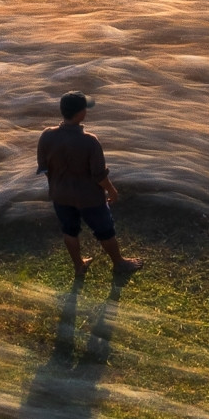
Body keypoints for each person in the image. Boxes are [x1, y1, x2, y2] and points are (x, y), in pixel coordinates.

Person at [36, 91, 141, 278]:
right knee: (105, 231)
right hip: (90, 199)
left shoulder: (46, 136)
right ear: (80, 114)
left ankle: (79, 265)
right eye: (84, 108)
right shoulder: (90, 141)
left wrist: (57, 186)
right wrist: (112, 190)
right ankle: (119, 263)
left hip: (61, 196)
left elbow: (44, 168)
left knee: (69, 230)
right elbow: (99, 175)